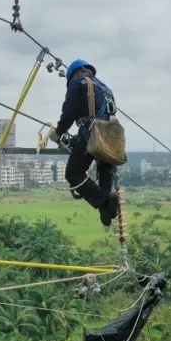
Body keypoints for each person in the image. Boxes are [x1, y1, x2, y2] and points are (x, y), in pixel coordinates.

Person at [48, 59, 121, 226]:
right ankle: (105, 207)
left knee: (73, 174)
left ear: (74, 73)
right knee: (105, 168)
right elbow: (98, 113)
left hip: (91, 133)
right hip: (110, 135)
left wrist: (58, 133)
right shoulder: (105, 88)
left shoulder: (77, 82)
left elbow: (69, 112)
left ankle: (104, 202)